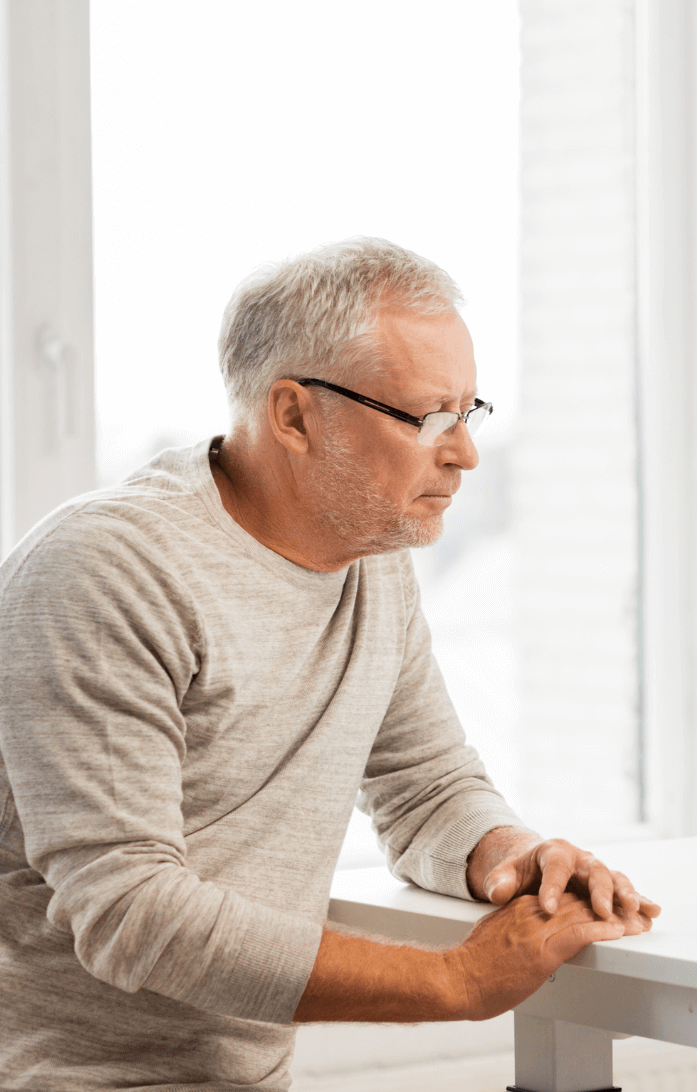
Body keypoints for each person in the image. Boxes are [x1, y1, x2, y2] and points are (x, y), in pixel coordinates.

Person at [0, 238, 659, 1090]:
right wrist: (457, 981)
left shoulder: (372, 557)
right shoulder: (106, 569)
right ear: (294, 415)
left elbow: (424, 787)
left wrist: (514, 858)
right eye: (428, 417)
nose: (464, 454)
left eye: (470, 411)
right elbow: (127, 910)